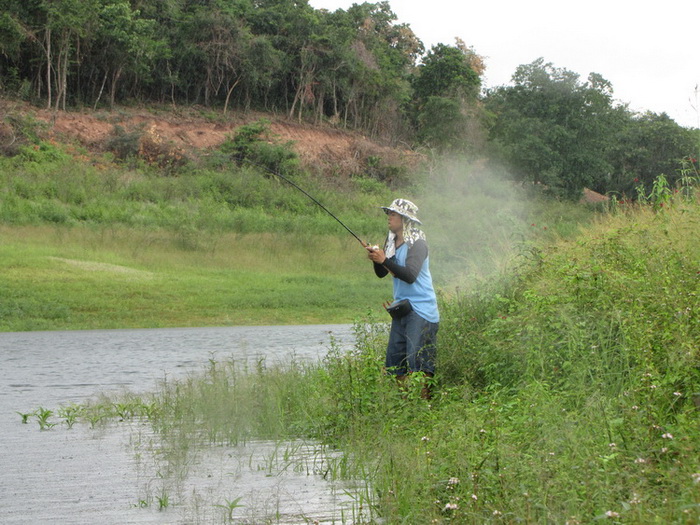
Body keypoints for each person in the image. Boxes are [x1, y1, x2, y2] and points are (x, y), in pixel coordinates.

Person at [366, 198, 439, 399]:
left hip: (421, 309)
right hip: (402, 308)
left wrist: (385, 260)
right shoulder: (391, 241)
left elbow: (409, 275)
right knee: (396, 362)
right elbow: (382, 273)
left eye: (394, 214)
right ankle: (406, 407)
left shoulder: (418, 243)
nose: (389, 217)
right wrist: (377, 259)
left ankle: (425, 406)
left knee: (419, 362)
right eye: (389, 213)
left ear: (405, 219)